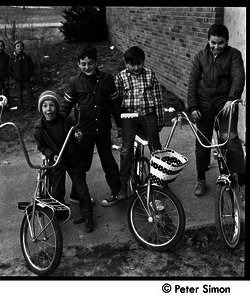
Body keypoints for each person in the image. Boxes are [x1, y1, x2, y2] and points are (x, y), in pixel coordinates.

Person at [187, 24, 245, 201]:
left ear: (227, 41)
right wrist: (193, 107)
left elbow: (238, 77)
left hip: (224, 103)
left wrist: (231, 98)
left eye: (221, 43)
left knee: (231, 138)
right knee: (202, 143)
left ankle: (241, 182)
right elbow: (193, 82)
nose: (216, 46)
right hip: (204, 104)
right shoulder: (200, 56)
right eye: (213, 42)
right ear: (208, 40)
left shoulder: (234, 55)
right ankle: (201, 179)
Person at [60, 44, 122, 207]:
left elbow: (115, 104)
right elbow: (65, 107)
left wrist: (120, 124)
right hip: (84, 131)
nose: (87, 67)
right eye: (83, 64)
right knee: (82, 164)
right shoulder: (74, 82)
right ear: (78, 64)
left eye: (90, 63)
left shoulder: (107, 79)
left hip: (103, 130)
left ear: (96, 62)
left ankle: (116, 192)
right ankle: (76, 195)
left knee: (108, 161)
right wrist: (57, 124)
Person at [33, 90, 94, 233]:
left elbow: (76, 131)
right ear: (41, 109)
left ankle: (88, 216)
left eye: (52, 105)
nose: (49, 109)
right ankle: (60, 212)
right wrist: (51, 154)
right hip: (56, 161)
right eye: (45, 106)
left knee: (82, 189)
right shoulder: (39, 128)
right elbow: (41, 146)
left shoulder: (66, 119)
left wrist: (78, 135)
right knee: (57, 191)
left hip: (72, 158)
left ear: (57, 107)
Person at [115, 46, 165, 201]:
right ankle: (123, 183)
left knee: (155, 146)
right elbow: (117, 101)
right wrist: (119, 123)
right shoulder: (121, 77)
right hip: (129, 116)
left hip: (147, 114)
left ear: (143, 62)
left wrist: (160, 119)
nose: (136, 67)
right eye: (132, 64)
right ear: (126, 63)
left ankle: (160, 179)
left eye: (139, 63)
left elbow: (157, 98)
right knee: (126, 149)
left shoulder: (150, 75)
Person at [8, 40, 35, 112]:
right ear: (14, 48)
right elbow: (9, 68)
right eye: (18, 46)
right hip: (18, 79)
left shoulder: (26, 57)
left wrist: (30, 74)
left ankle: (32, 105)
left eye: (21, 46)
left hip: (26, 78)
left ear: (23, 47)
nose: (19, 47)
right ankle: (20, 107)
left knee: (29, 91)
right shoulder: (12, 58)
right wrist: (13, 75)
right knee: (19, 93)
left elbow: (31, 65)